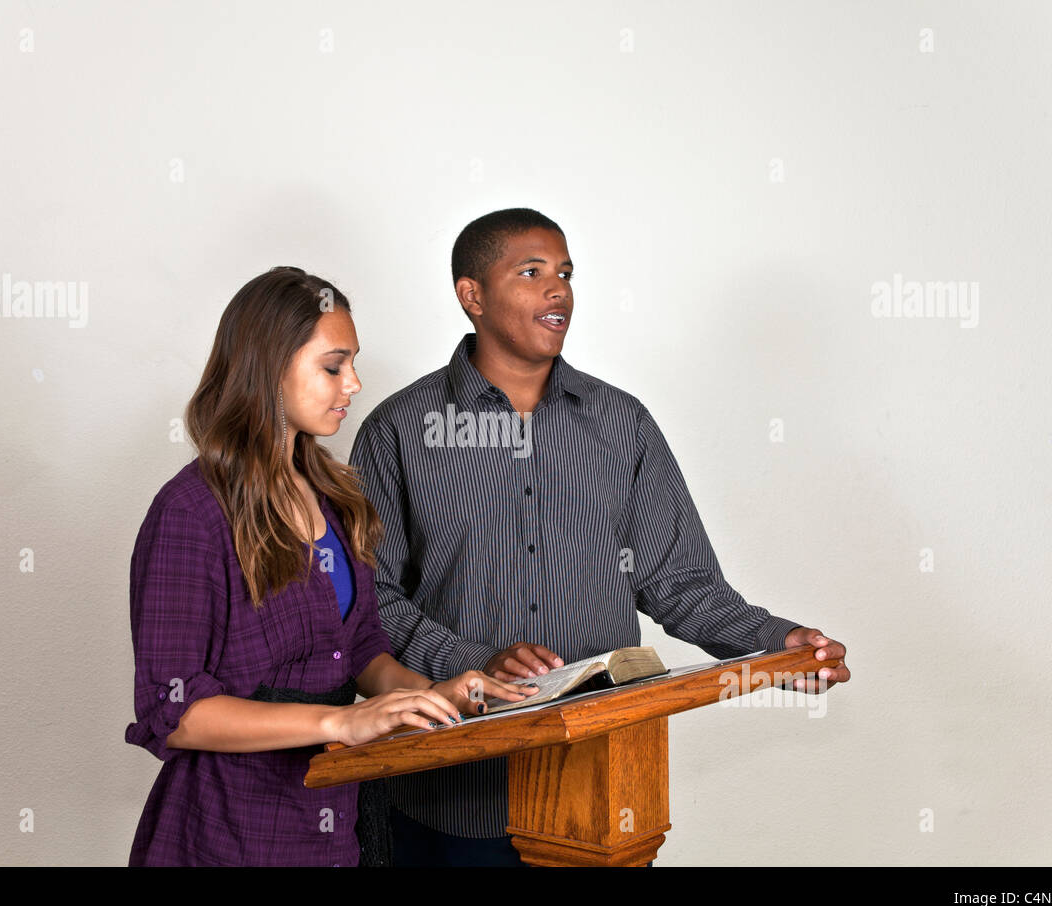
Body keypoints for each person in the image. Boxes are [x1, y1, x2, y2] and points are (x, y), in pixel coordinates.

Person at [348, 208, 852, 866]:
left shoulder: (622, 425)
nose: (558, 290)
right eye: (531, 273)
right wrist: (476, 663)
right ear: (472, 295)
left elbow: (678, 582)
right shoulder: (398, 431)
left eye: (565, 273)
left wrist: (775, 642)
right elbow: (369, 603)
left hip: (604, 791)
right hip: (452, 797)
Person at [123, 266, 536, 867]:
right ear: (268, 367)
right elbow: (175, 709)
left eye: (353, 364)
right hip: (227, 835)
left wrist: (435, 696)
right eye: (333, 366)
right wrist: (340, 722)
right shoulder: (190, 512)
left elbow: (364, 652)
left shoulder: (336, 499)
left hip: (345, 828)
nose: (355, 384)